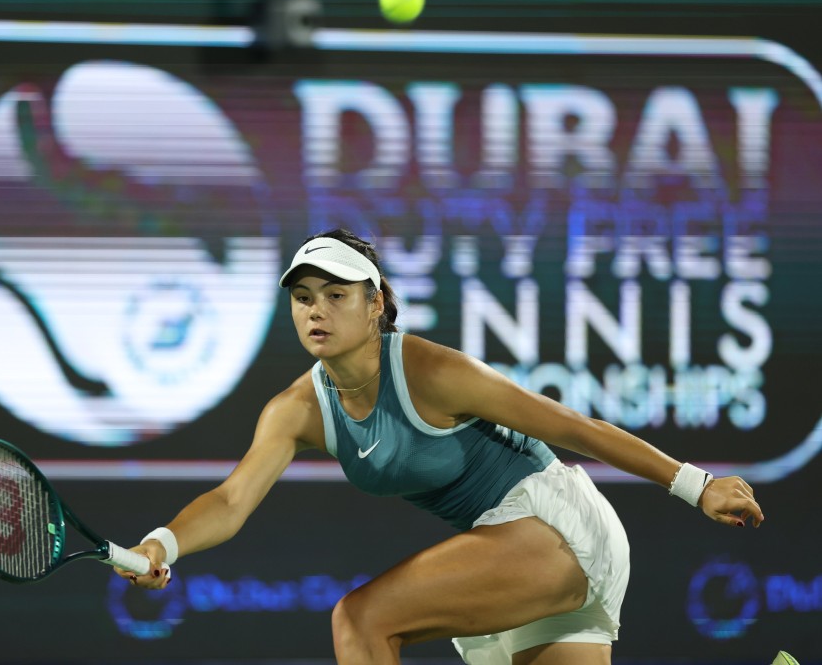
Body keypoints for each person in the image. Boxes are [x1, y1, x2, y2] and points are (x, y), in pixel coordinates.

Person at [114, 228, 765, 665]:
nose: (316, 310)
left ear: (376, 306)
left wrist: (695, 483)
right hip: (522, 560)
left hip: (551, 525)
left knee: (362, 619)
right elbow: (231, 501)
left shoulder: (429, 371)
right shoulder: (297, 409)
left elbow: (571, 427)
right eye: (304, 298)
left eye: (336, 296)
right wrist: (160, 545)